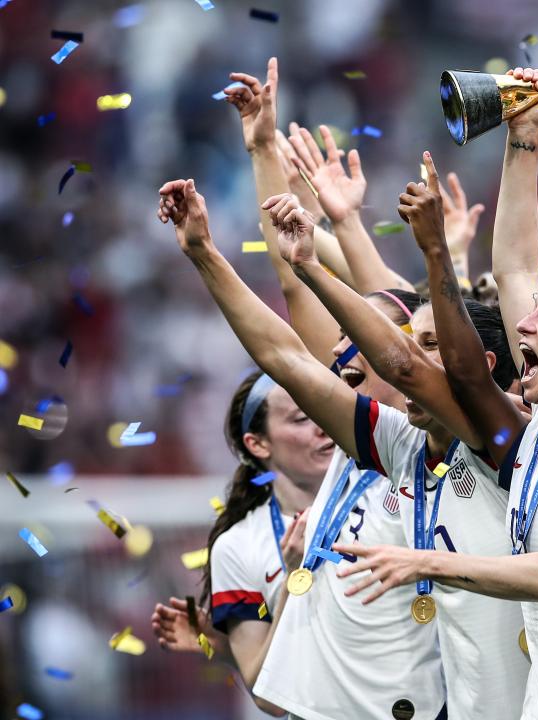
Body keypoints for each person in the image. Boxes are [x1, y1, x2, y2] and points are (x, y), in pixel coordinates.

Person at [334, 118, 538, 716]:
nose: (526, 325)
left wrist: (423, 563)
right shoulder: (536, 434)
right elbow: (513, 264)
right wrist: (523, 133)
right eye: (532, 312)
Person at [156, 177, 445, 720]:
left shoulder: (452, 444)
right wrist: (204, 252)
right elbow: (283, 349)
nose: (337, 350)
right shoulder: (363, 442)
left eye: (356, 336)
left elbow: (410, 324)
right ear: (255, 444)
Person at [268, 174, 533, 718]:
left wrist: (438, 250)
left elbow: (408, 358)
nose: (413, 356)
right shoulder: (394, 440)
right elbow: (290, 357)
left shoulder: (508, 445)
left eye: (433, 345)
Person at [149, 373, 329, 716]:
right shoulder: (238, 546)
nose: (322, 427)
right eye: (302, 418)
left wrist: (226, 649)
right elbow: (268, 696)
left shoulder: (383, 498)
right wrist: (296, 580)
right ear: (258, 444)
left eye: (321, 409)